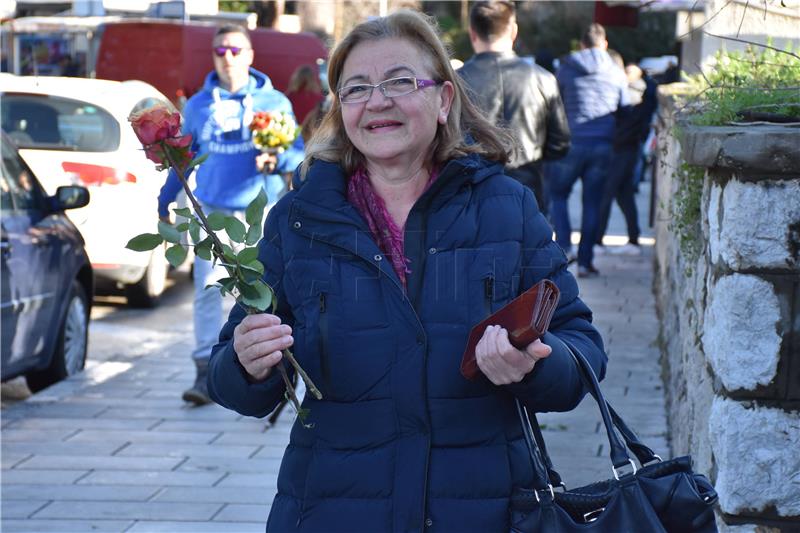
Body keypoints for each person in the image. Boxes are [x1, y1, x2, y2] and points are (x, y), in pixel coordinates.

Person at [207, 10, 606, 532]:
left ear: (443, 100)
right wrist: (246, 362)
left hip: (487, 511)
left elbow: (582, 346)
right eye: (356, 88)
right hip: (333, 511)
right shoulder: (299, 220)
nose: (378, 101)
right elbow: (229, 375)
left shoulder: (506, 208)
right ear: (341, 107)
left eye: (399, 81)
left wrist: (535, 366)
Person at [157, 24, 295, 406]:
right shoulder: (199, 106)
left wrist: (279, 157)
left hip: (263, 212)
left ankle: (274, 371)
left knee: (268, 294)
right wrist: (165, 199)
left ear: (250, 55)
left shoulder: (275, 102)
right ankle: (204, 370)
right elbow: (180, 159)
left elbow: (300, 155)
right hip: (212, 214)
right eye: (220, 50)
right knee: (207, 292)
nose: (227, 57)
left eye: (235, 49)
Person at [458, 0, 570, 216]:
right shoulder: (543, 79)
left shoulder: (455, 82)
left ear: (472, 33)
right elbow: (560, 143)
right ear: (514, 32)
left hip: (470, 197)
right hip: (528, 194)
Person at [552, 23, 629, 277]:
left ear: (582, 44)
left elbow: (556, 103)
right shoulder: (617, 72)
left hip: (573, 142)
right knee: (593, 203)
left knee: (558, 194)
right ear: (604, 43)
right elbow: (625, 108)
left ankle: (564, 245)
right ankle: (585, 261)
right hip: (603, 145)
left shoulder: (567, 68)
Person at [595, 60, 658, 256]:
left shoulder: (629, 99)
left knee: (608, 194)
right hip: (628, 150)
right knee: (625, 196)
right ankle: (633, 238)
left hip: (622, 151)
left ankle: (598, 239)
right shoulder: (640, 99)